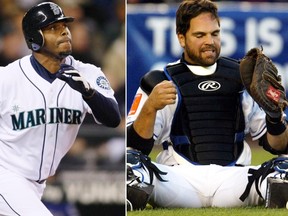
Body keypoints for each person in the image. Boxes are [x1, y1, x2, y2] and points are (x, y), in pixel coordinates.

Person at [126, 0, 288, 210]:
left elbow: (279, 146)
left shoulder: (243, 77)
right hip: (178, 181)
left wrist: (275, 117)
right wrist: (150, 107)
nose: (210, 41)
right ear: (181, 38)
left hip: (234, 182)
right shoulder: (160, 80)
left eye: (215, 33)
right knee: (127, 164)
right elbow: (136, 147)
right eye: (200, 35)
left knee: (284, 166)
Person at [0, 2, 121, 215]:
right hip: (6, 176)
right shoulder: (8, 78)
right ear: (34, 38)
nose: (64, 32)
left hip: (36, 185)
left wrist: (89, 92)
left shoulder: (88, 73)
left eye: (65, 26)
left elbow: (112, 119)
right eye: (53, 28)